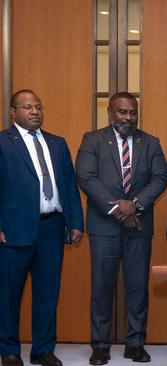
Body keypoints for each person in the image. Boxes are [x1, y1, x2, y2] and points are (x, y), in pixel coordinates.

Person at [75, 92, 167, 365]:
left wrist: (134, 204)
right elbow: (86, 178)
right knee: (102, 286)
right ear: (110, 111)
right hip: (104, 226)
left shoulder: (150, 142)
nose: (128, 118)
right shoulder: (92, 140)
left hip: (138, 225)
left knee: (138, 287)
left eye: (132, 112)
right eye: (122, 112)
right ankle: (100, 345)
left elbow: (160, 177)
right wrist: (118, 209)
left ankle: (135, 344)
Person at [0, 89, 84, 366]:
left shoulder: (57, 143)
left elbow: (69, 185)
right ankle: (9, 351)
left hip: (52, 227)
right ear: (14, 112)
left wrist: (75, 222)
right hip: (12, 230)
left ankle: (43, 349)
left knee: (48, 293)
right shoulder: (3, 142)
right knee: (9, 295)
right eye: (27, 107)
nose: (35, 111)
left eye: (38, 107)